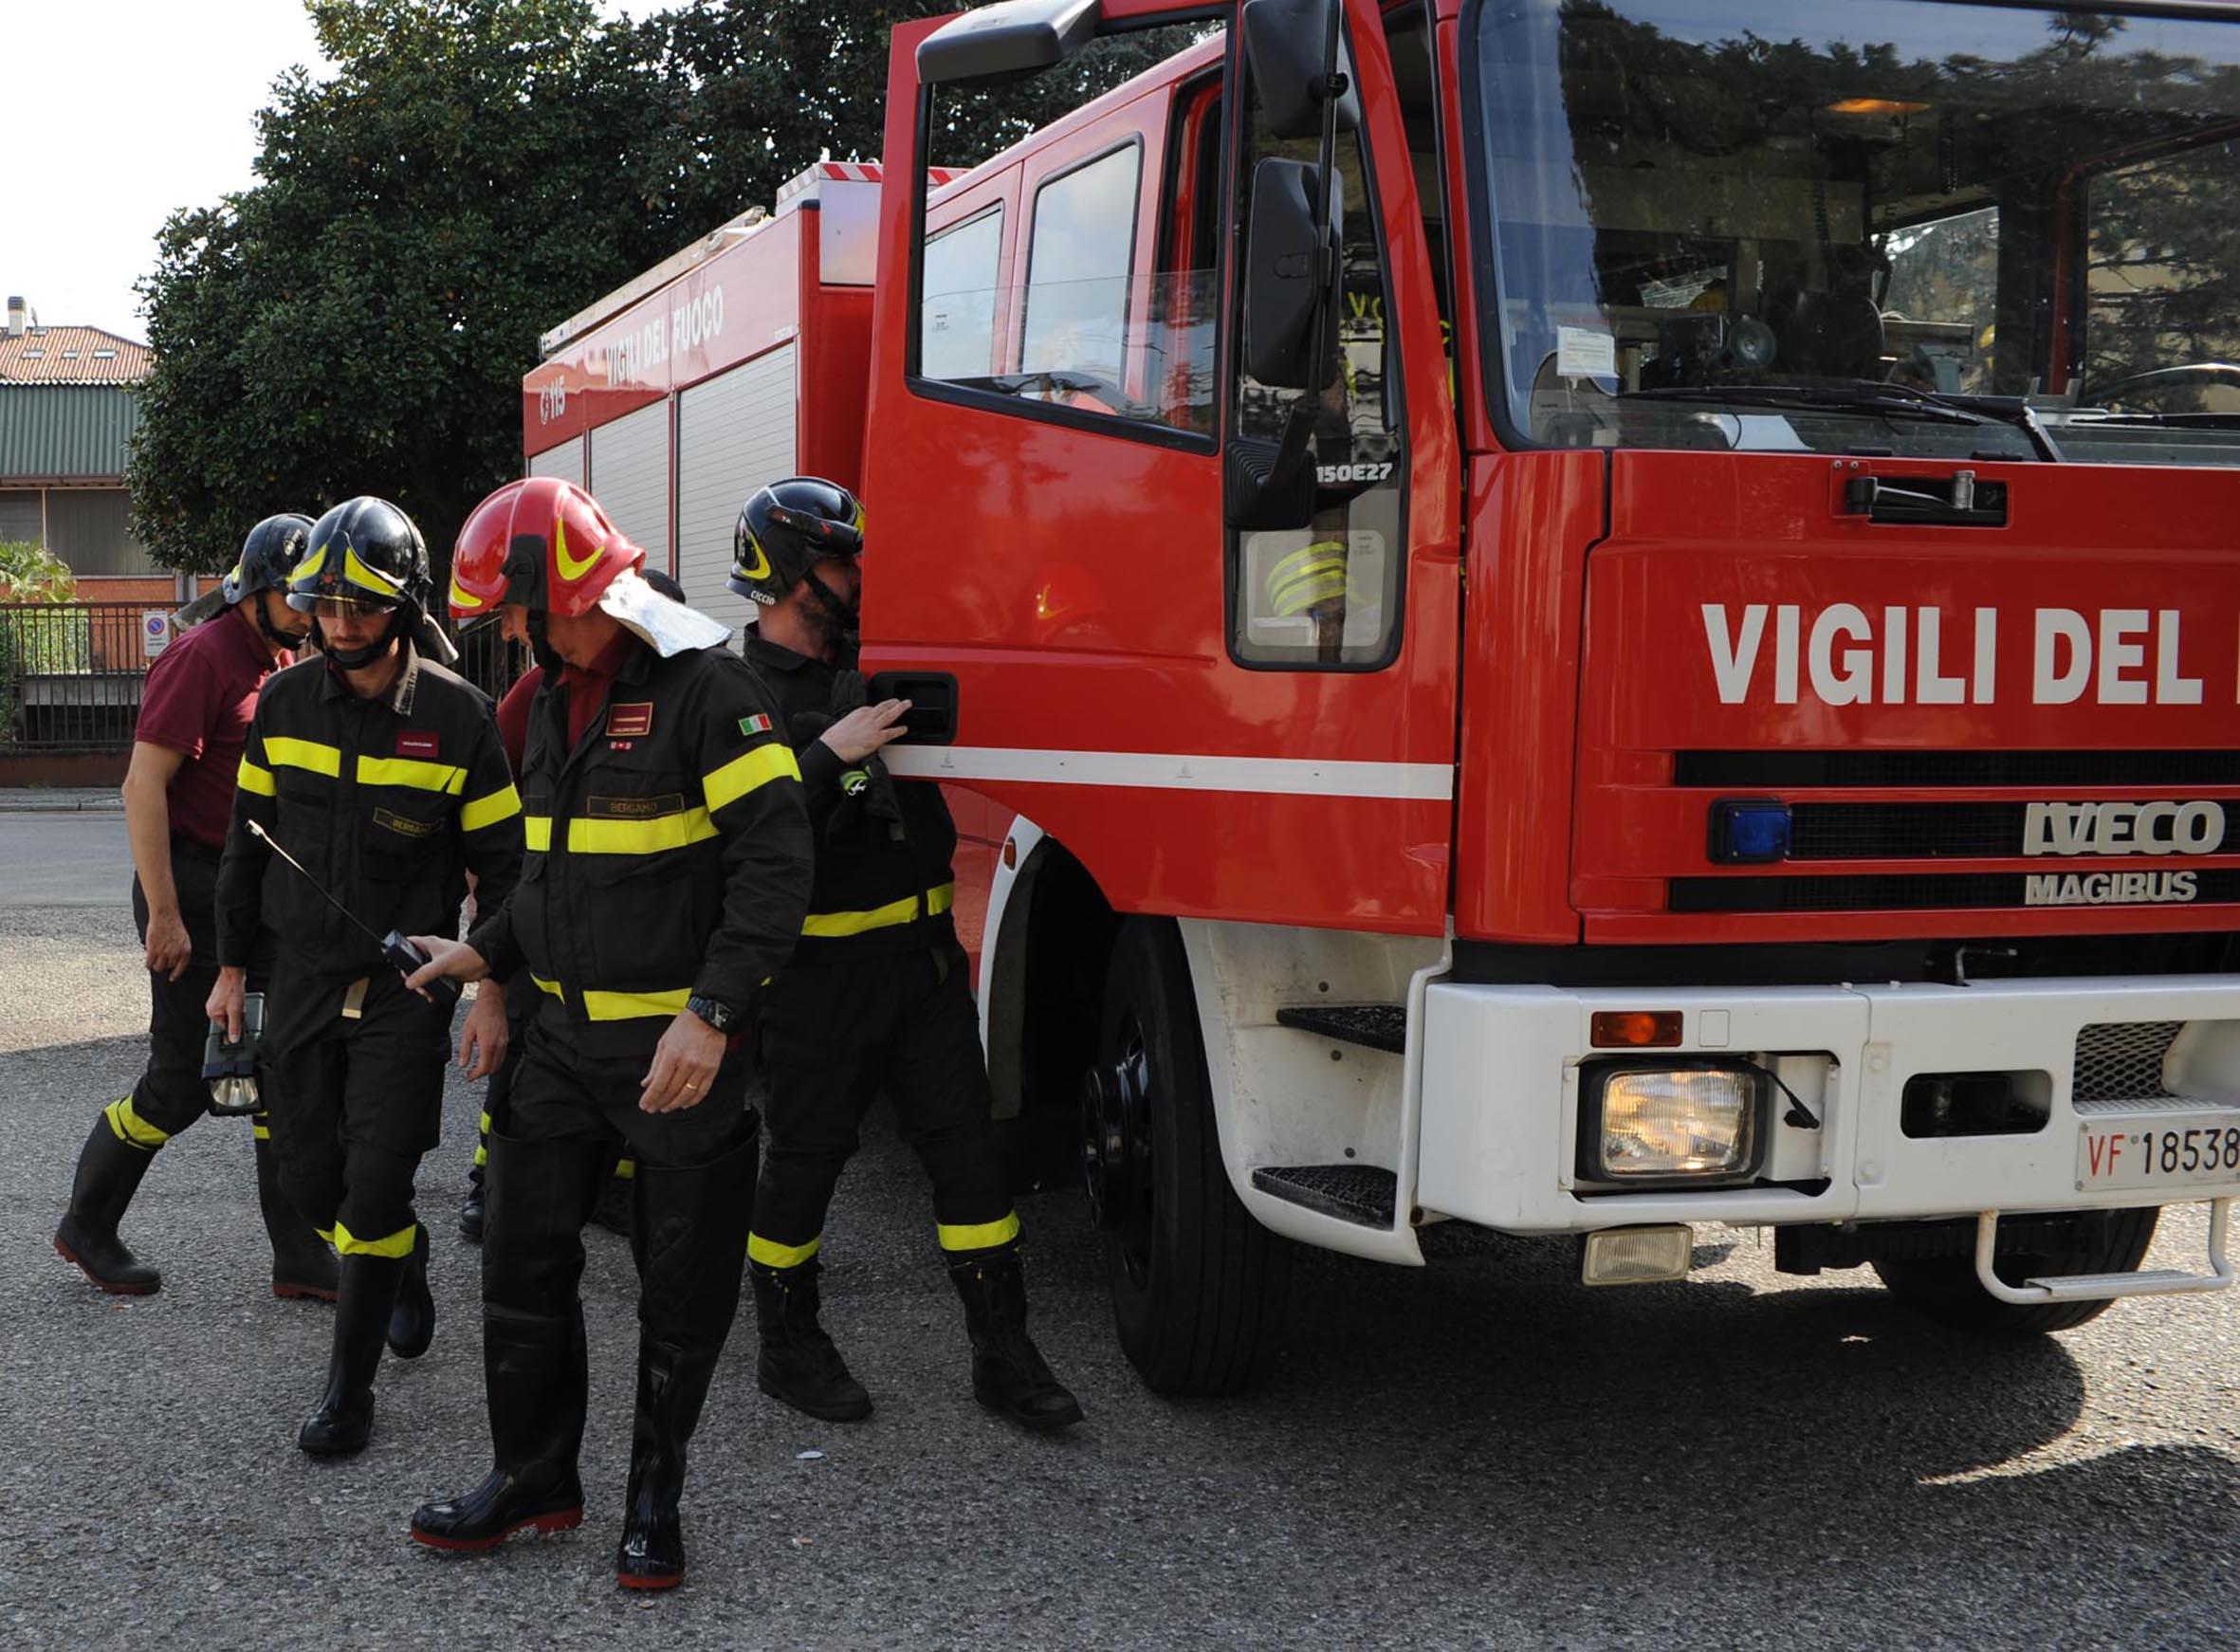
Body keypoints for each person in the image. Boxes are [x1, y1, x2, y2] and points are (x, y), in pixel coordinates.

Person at [405, 476, 811, 1591]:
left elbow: (778, 870)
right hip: (559, 1053)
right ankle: (535, 1476)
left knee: (678, 1295)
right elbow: (545, 874)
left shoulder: (710, 692)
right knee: (523, 1266)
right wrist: (483, 957)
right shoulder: (542, 702)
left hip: (678, 1063)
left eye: (510, 612)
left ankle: (652, 1502)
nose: (502, 634)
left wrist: (713, 1015)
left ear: (560, 591)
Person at [733, 476, 1081, 1432]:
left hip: (921, 970)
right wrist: (827, 755)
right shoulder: (738, 690)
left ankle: (1002, 1352)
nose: (858, 575)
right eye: (843, 560)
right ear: (797, 571)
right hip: (816, 983)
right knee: (802, 1165)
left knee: (972, 1162)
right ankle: (786, 1342)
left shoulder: (884, 663)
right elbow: (736, 833)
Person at [211, 496, 522, 1458]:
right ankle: (402, 1261)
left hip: (404, 989)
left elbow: (508, 870)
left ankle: (347, 1393)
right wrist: (229, 968)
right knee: (313, 1187)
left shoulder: (460, 716)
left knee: (378, 1181)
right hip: (299, 979)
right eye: (324, 604)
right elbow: (243, 847)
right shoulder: (286, 705)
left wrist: (492, 988)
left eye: (361, 603)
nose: (340, 622)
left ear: (402, 604)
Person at [53, 515, 336, 1301]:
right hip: (188, 887)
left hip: (247, 893)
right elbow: (142, 787)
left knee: (279, 1070)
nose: (313, 611)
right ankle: (87, 1223)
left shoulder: (277, 658)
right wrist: (167, 917)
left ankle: (300, 1257)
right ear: (256, 590)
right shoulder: (202, 656)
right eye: (299, 595)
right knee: (179, 1083)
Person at [453, 570, 689, 1246]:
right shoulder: (535, 701)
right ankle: (486, 1187)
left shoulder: (676, 698)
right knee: (521, 1060)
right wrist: (493, 964)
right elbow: (489, 835)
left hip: (609, 933)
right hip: (536, 917)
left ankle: (609, 1185)